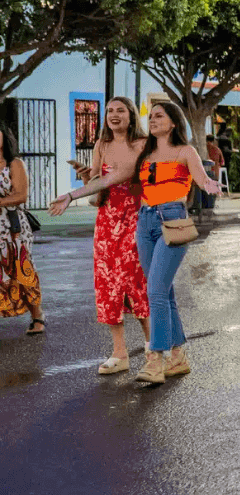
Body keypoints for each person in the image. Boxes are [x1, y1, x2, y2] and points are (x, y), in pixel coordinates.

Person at [50, 103, 222, 383]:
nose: (153, 120)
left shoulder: (185, 151)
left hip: (172, 219)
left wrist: (211, 186)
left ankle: (155, 360)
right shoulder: (145, 153)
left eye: (159, 116)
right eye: (151, 116)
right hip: (144, 222)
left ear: (174, 122)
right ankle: (177, 358)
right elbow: (111, 178)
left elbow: (202, 180)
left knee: (153, 290)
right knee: (165, 294)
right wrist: (72, 194)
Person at [88, 98, 150, 372]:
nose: (114, 115)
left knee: (136, 281)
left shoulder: (144, 144)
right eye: (110, 111)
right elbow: (94, 187)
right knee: (108, 284)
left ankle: (154, 348)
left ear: (131, 115)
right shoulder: (101, 145)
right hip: (106, 222)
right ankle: (120, 353)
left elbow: (152, 183)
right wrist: (88, 182)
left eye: (120, 110)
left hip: (136, 218)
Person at [0, 125, 42, 335]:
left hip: (12, 227)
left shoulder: (14, 164)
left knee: (21, 269)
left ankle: (37, 316)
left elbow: (21, 196)